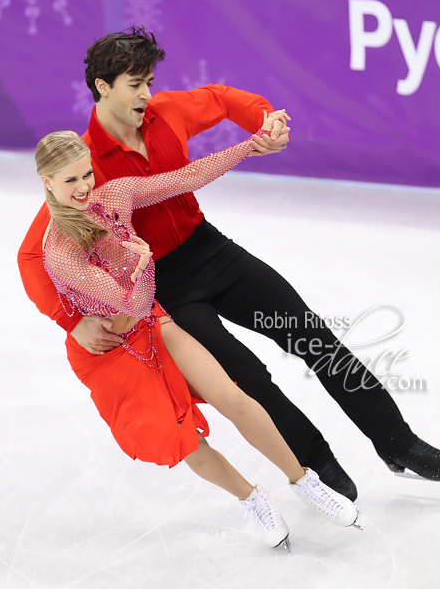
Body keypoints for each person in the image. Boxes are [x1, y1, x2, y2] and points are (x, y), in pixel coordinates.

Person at [18, 27, 440, 502]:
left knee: (313, 335)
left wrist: (265, 122)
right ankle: (316, 463)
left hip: (212, 252)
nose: (147, 93)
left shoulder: (167, 113)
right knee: (248, 378)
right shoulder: (83, 167)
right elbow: (32, 255)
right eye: (135, 84)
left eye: (149, 80)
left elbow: (224, 98)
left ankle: (398, 442)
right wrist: (73, 320)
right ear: (103, 87)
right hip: (166, 289)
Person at [34, 124, 361, 549]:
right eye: (70, 180)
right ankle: (253, 499)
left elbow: (185, 178)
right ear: (47, 183)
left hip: (153, 323)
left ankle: (305, 482)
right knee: (186, 440)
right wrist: (145, 260)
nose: (83, 188)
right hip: (112, 353)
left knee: (234, 397)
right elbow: (129, 302)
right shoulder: (59, 251)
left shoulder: (113, 197)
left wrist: (248, 147)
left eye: (86, 174)